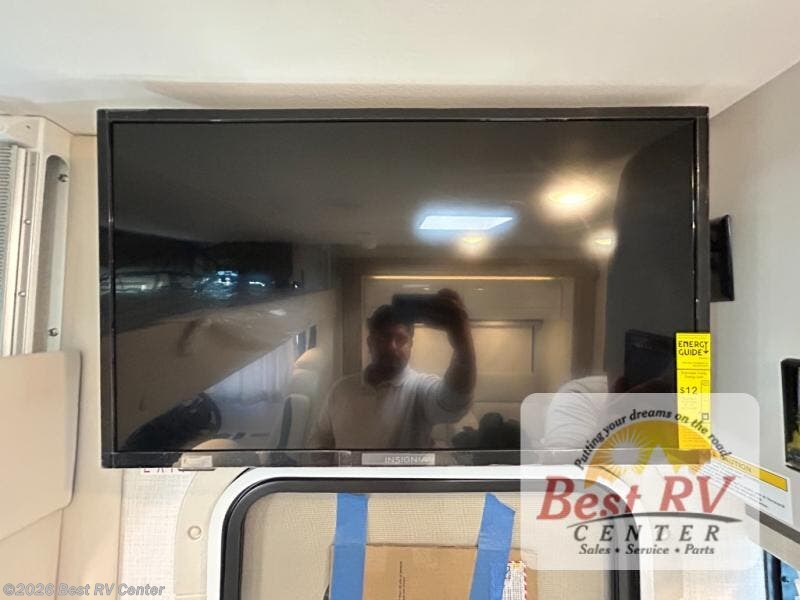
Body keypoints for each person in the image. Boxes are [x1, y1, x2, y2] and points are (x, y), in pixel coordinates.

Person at [308, 289, 476, 449]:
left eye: (401, 339)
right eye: (384, 338)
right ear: (370, 343)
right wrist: (329, 464)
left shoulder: (419, 388)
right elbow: (321, 437)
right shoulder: (341, 389)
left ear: (411, 344)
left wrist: (462, 342)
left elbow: (453, 402)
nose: (391, 347)